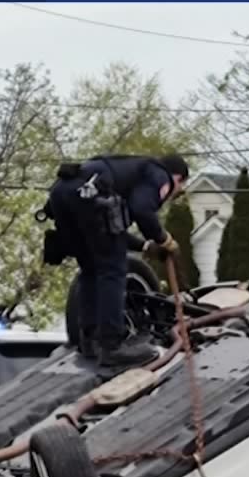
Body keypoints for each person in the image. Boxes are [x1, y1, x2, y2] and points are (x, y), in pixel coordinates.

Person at [43, 153, 188, 369]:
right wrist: (163, 239)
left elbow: (112, 234)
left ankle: (90, 340)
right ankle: (112, 347)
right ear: (178, 179)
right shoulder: (160, 175)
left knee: (91, 269)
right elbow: (142, 210)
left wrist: (145, 246)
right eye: (178, 190)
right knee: (113, 270)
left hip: (61, 195)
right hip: (90, 197)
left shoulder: (126, 170)